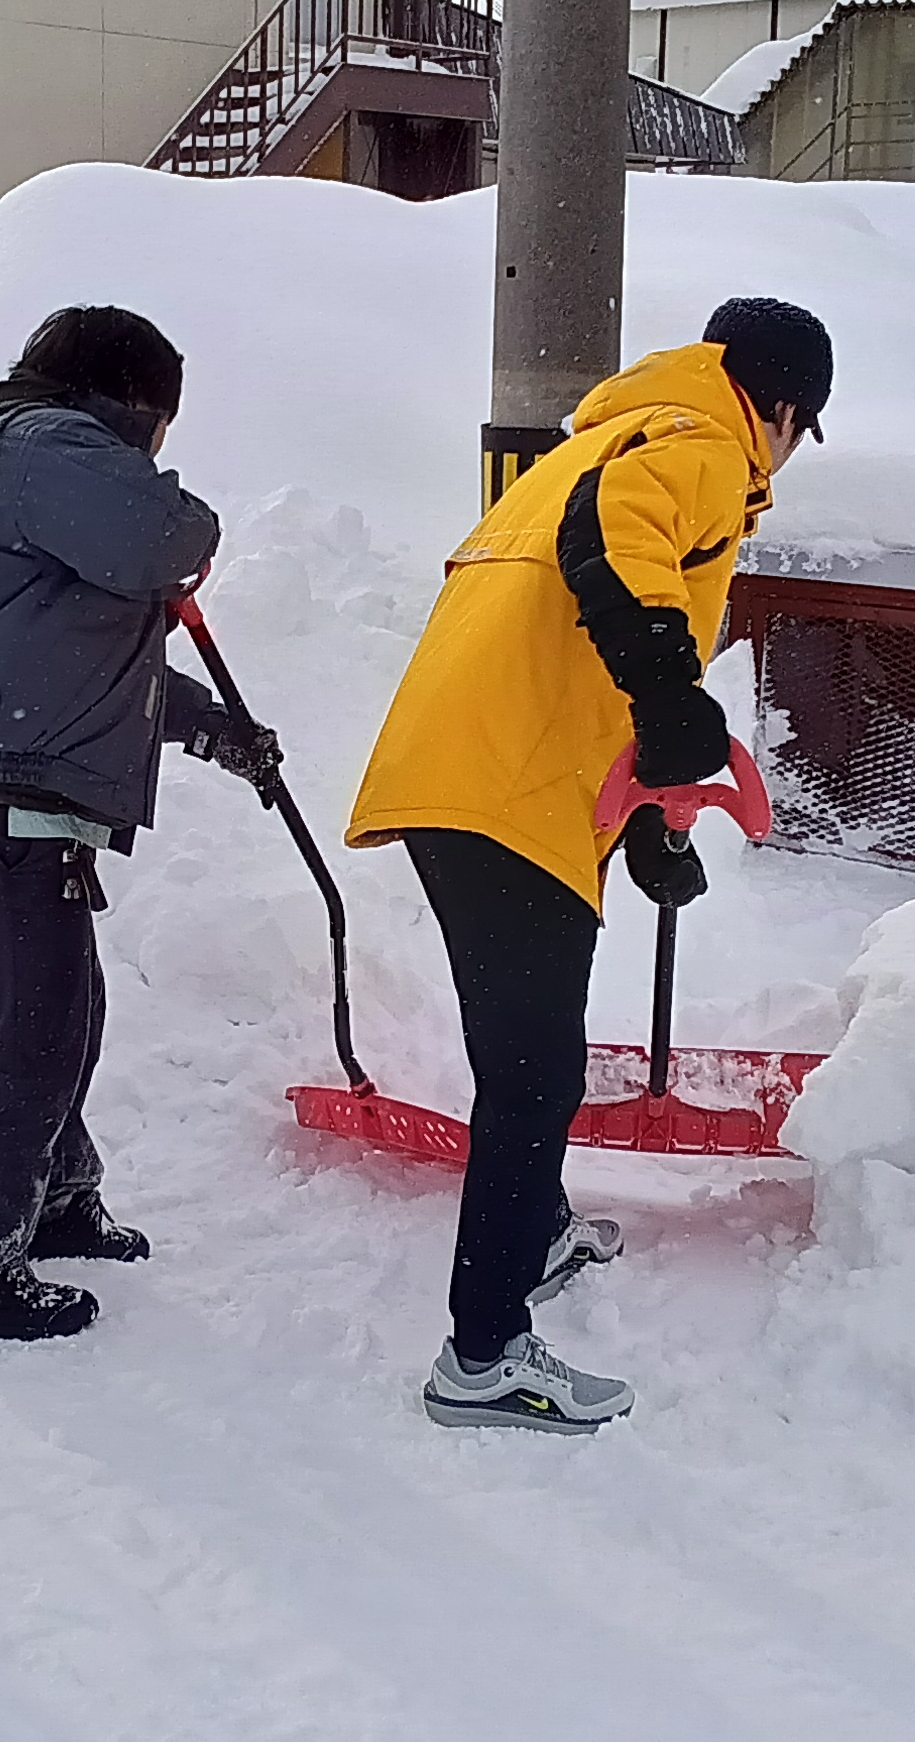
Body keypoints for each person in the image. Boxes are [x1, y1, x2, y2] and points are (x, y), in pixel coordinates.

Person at [345, 297, 833, 1431]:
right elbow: (612, 551)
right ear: (783, 409)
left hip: (477, 779)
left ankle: (536, 1227)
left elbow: (575, 652)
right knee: (533, 1077)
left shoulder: (607, 438)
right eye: (799, 431)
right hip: (505, 795)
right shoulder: (700, 447)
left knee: (528, 1060)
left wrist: (651, 827)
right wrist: (675, 695)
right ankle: (484, 1355)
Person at [0, 306, 280, 1343]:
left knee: (62, 1011)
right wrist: (181, 531)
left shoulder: (6, 475)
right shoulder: (45, 449)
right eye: (160, 433)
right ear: (130, 409)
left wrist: (210, 728)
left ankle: (54, 1199)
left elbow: (66, 661)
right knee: (32, 1033)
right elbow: (167, 536)